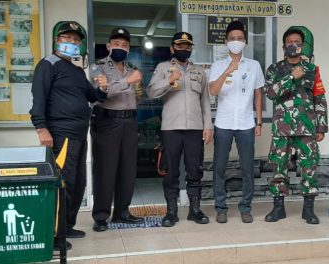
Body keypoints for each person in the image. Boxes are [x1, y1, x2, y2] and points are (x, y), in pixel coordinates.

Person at [29, 21, 107, 250]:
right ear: (57, 40)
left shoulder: (75, 70)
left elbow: (93, 96)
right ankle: (55, 235)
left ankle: (67, 225)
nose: (72, 42)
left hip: (79, 134)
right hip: (60, 133)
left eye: (76, 39)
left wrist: (102, 87)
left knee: (76, 182)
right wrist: (41, 128)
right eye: (67, 38)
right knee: (62, 183)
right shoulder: (48, 64)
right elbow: (38, 99)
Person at [147, 32, 212, 227]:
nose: (184, 49)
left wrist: (207, 125)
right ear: (172, 48)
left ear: (191, 48)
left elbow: (205, 101)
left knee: (195, 170)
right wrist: (169, 80)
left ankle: (194, 210)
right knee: (171, 171)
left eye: (187, 46)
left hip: (194, 128)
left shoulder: (199, 71)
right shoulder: (163, 68)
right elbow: (151, 92)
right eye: (180, 46)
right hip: (171, 128)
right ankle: (171, 212)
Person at [264, 27, 328, 224]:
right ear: (284, 46)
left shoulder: (312, 69)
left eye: (298, 42)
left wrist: (321, 126)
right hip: (282, 128)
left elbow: (320, 97)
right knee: (279, 167)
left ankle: (308, 210)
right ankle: (278, 208)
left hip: (307, 127)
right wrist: (292, 76)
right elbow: (271, 93)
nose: (294, 45)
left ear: (302, 46)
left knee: (309, 167)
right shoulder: (274, 69)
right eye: (290, 42)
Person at [208, 20, 264, 224]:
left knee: (248, 168)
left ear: (245, 41)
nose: (236, 42)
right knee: (219, 168)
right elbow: (212, 91)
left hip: (247, 124)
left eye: (240, 39)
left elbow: (258, 94)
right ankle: (221, 207)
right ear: (226, 41)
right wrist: (227, 71)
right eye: (232, 39)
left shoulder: (254, 65)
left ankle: (246, 207)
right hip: (223, 123)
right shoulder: (218, 65)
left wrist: (259, 122)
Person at [90, 27, 144, 232]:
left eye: (125, 45)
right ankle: (101, 216)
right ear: (108, 46)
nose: (121, 47)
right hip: (107, 122)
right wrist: (127, 81)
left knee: (127, 170)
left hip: (129, 122)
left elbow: (136, 96)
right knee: (105, 170)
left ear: (129, 48)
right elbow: (101, 93)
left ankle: (122, 212)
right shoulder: (98, 68)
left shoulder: (132, 68)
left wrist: (134, 84)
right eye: (117, 44)